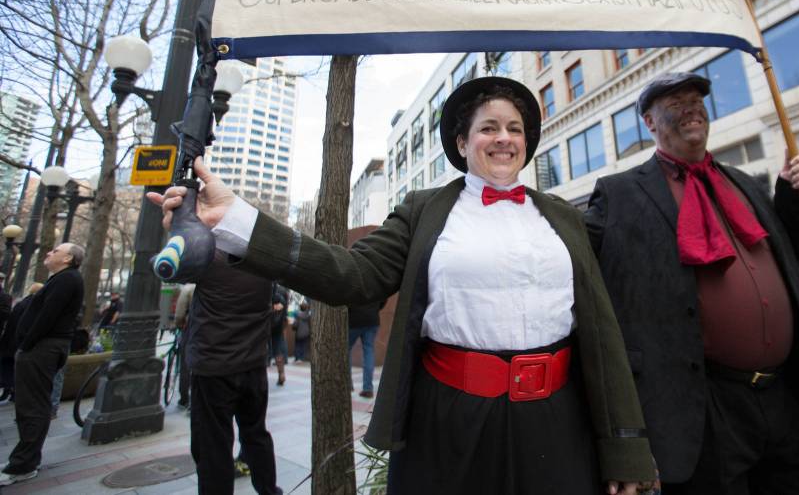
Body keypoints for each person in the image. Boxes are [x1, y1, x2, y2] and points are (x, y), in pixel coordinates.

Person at [150, 76, 655, 495]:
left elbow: (603, 336)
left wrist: (626, 448)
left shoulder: (564, 218)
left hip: (558, 421)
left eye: (515, 129)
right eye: (489, 128)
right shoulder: (425, 210)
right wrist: (239, 219)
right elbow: (351, 275)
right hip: (451, 421)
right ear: (462, 143)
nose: (504, 138)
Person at [585, 72, 799, 494]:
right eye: (676, 103)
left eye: (697, 100)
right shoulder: (619, 193)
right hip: (704, 404)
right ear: (649, 123)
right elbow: (582, 266)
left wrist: (795, 196)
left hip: (783, 394)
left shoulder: (744, 183)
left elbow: (784, 254)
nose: (692, 108)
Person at [185, 251, 282, 494]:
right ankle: (269, 490)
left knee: (213, 445)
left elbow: (165, 266)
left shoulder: (206, 259)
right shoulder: (264, 265)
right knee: (255, 434)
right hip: (253, 366)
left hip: (213, 368)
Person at [0, 243, 84, 487]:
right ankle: (23, 460)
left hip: (42, 349)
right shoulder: (62, 279)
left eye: (55, 251)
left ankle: (23, 464)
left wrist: (26, 344)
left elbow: (47, 315)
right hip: (40, 348)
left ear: (67, 258)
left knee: (33, 406)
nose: (49, 253)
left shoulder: (67, 280)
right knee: (31, 405)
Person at [0, 283, 43, 404]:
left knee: (9, 367)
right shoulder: (35, 306)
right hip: (19, 342)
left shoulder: (21, 304)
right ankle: (13, 391)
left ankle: (8, 390)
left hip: (10, 342)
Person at [174, 283, 195, 409]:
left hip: (191, 328)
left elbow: (180, 313)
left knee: (185, 364)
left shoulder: (188, 288)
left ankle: (184, 398)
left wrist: (179, 323)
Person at [269, 284, 288, 386]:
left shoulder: (268, 288)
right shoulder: (283, 292)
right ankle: (281, 374)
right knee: (278, 349)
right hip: (279, 324)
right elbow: (285, 307)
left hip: (266, 324)